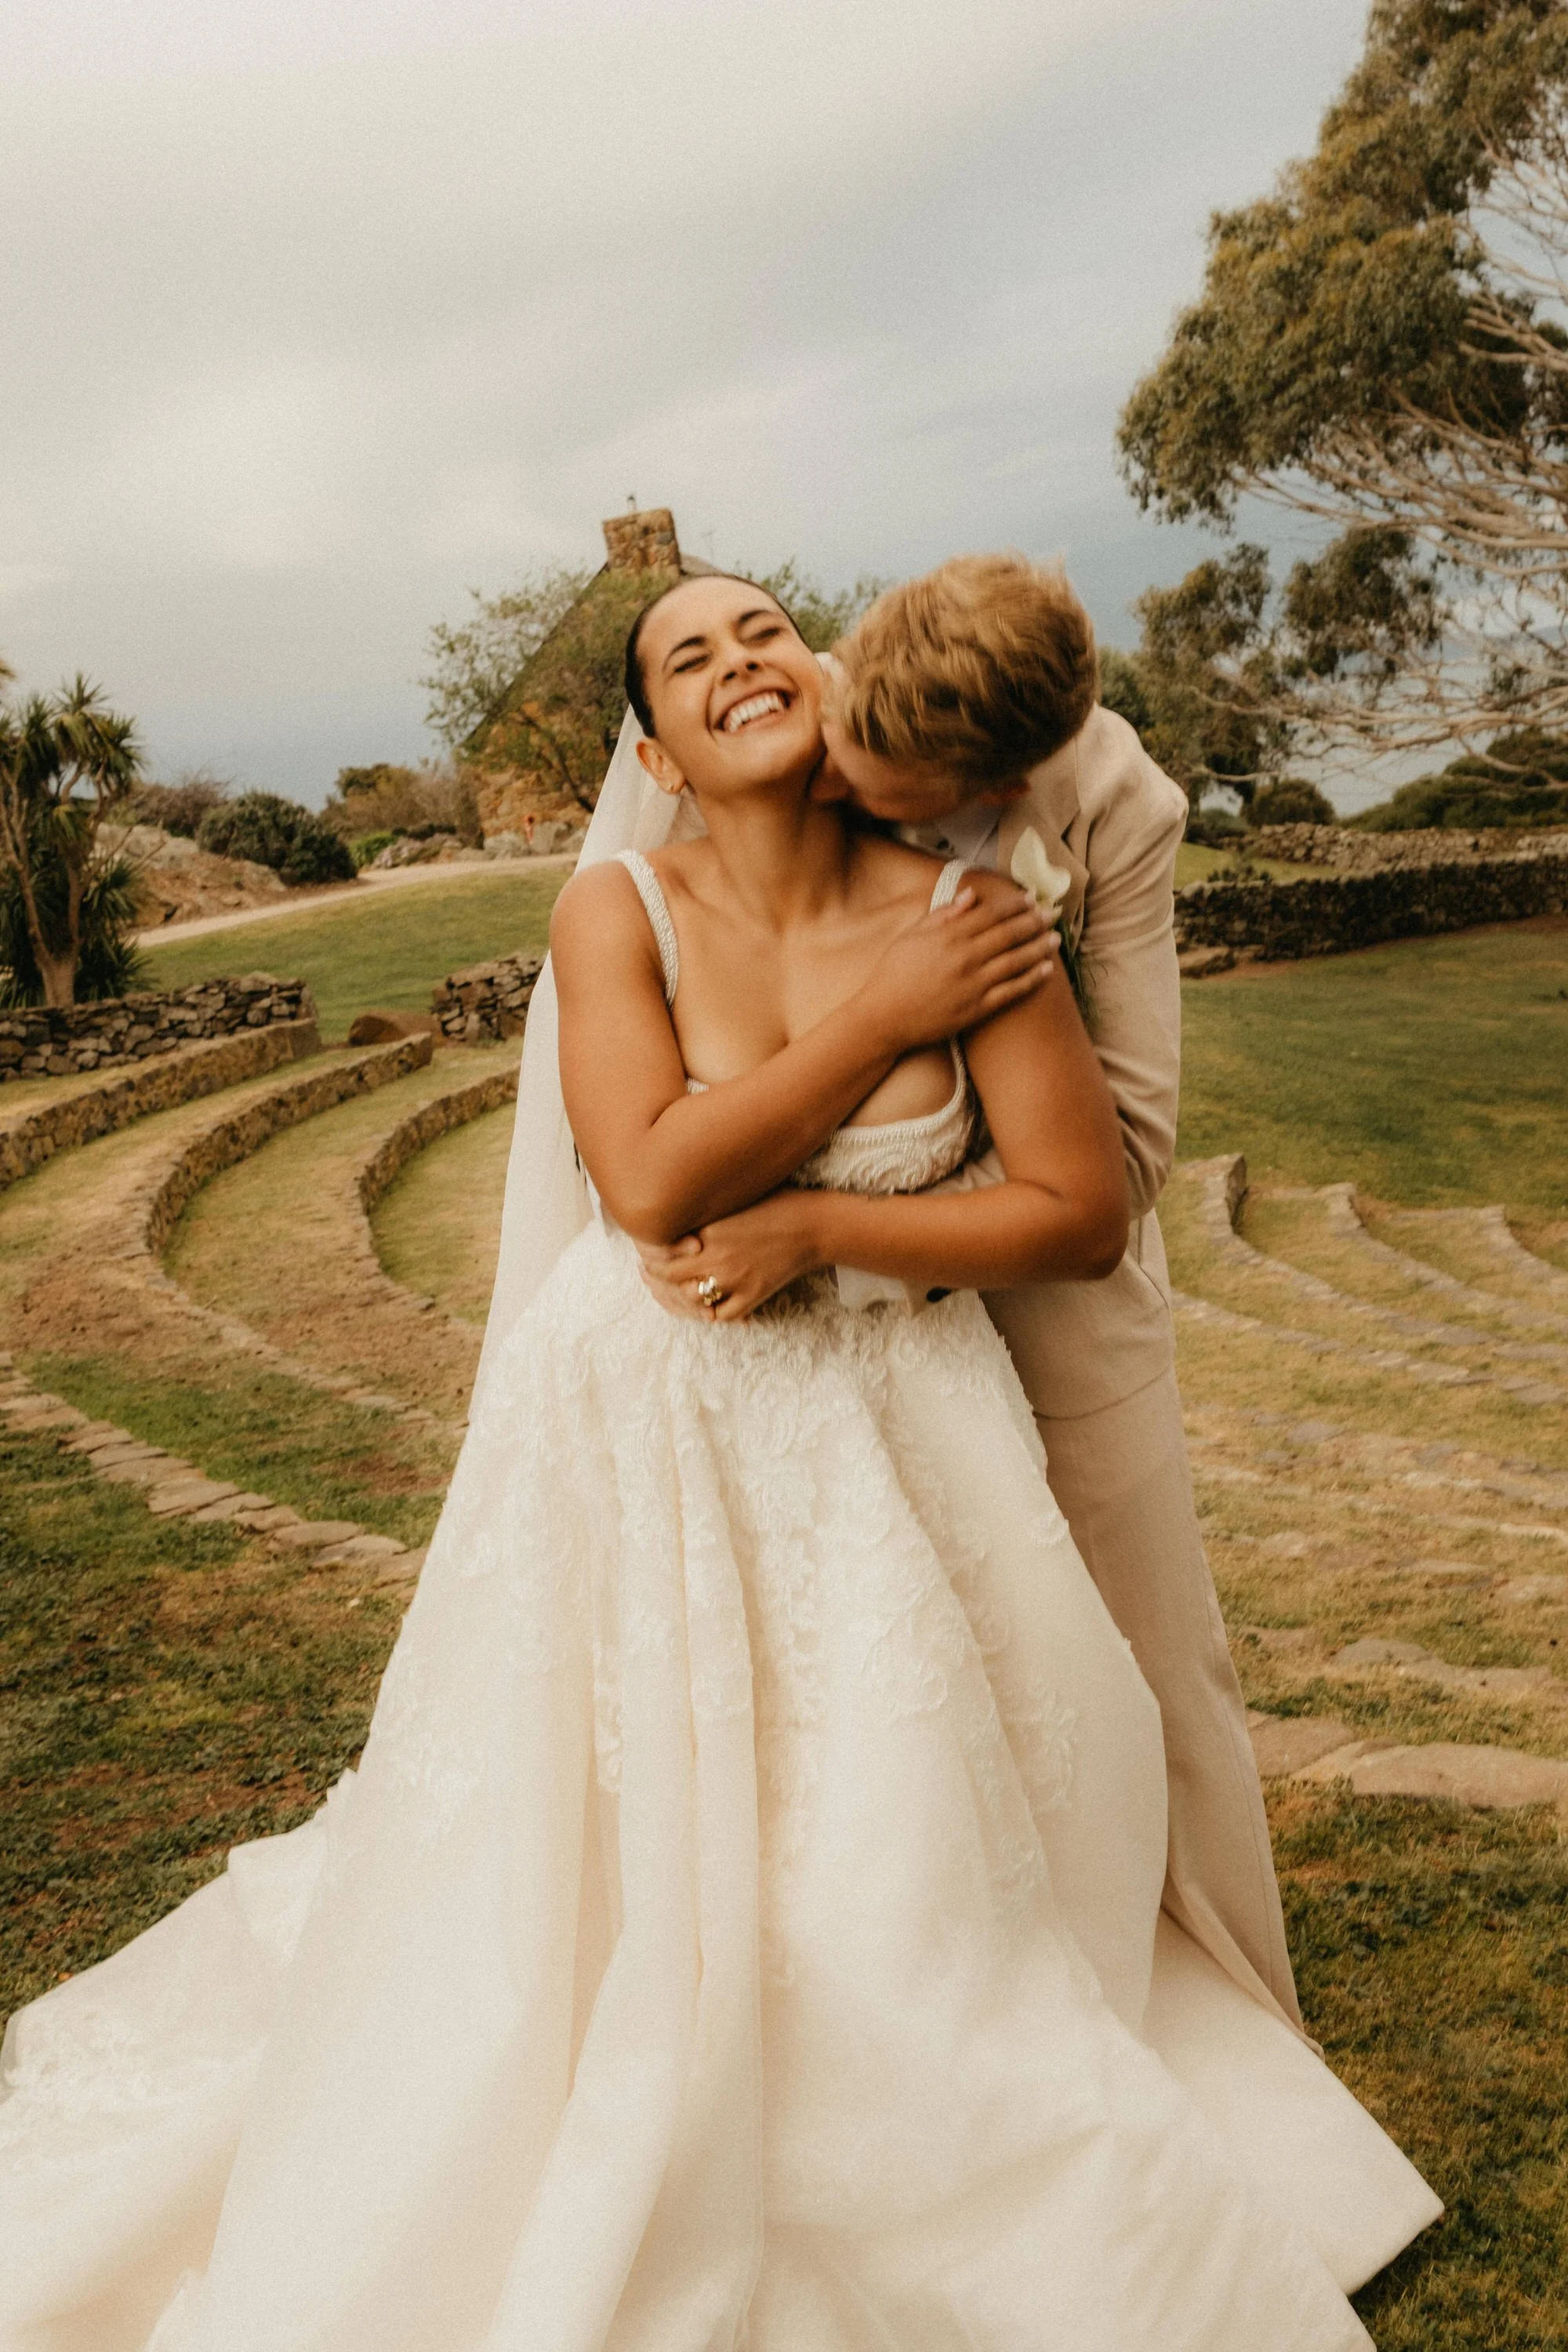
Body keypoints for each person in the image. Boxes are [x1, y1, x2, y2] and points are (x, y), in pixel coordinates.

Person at [0, 572, 1438, 2350]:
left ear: (829, 685)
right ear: (654, 750)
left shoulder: (976, 895)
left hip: (901, 1432)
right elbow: (651, 1184)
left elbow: (1082, 1204)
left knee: (909, 1837)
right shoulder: (615, 907)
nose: (739, 659)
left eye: (765, 629)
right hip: (658, 1430)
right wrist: (879, 1008)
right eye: (687, 656)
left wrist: (832, 1199)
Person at [641, 551, 1303, 2038]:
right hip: (812, 1351)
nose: (844, 795)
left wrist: (837, 1219)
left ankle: (1240, 2016)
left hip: (1048, 1289)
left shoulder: (1114, 811)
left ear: (990, 780)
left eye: (885, 799)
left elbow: (1118, 1172)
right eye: (839, 755)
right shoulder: (806, 713)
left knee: (1145, 1667)